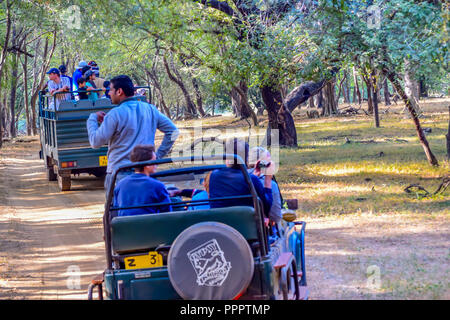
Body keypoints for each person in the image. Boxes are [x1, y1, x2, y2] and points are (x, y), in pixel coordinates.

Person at [87, 75, 179, 197]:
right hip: (146, 172)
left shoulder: (114, 114)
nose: (108, 93)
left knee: (118, 211)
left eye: (110, 90)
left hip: (119, 174)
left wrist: (92, 118)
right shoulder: (150, 109)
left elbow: (95, 142)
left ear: (119, 91)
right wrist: (157, 156)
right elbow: (173, 131)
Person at [208, 138, 274, 219]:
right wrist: (268, 180)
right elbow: (267, 210)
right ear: (246, 158)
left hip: (220, 226)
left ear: (227, 157)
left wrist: (252, 178)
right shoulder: (252, 180)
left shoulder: (214, 176)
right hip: (246, 228)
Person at [113, 144, 172, 216]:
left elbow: (116, 209)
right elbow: (168, 213)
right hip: (151, 226)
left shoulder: (120, 185)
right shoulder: (158, 186)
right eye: (154, 161)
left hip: (126, 226)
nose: (156, 163)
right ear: (147, 164)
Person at [248, 147, 282, 224]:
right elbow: (275, 217)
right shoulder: (270, 184)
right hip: (259, 230)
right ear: (264, 164)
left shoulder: (236, 179)